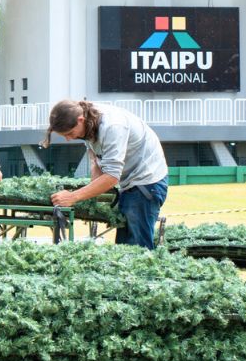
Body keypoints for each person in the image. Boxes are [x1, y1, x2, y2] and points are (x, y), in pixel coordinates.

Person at [44, 99, 168, 249]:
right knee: (124, 248)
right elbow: (95, 158)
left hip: (146, 182)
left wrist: (73, 197)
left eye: (70, 133)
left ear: (80, 120)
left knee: (139, 249)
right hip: (130, 183)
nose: (69, 138)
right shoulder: (88, 121)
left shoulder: (113, 126)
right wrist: (92, 191)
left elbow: (111, 177)